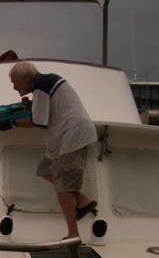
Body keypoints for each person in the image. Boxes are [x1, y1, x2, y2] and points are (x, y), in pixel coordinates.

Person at [6, 61, 98, 239]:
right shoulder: (44, 84)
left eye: (15, 82)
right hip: (65, 139)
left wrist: (11, 122)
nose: (14, 86)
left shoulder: (42, 86)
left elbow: (38, 121)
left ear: (25, 79)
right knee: (45, 170)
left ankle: (73, 235)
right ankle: (83, 201)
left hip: (72, 138)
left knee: (63, 186)